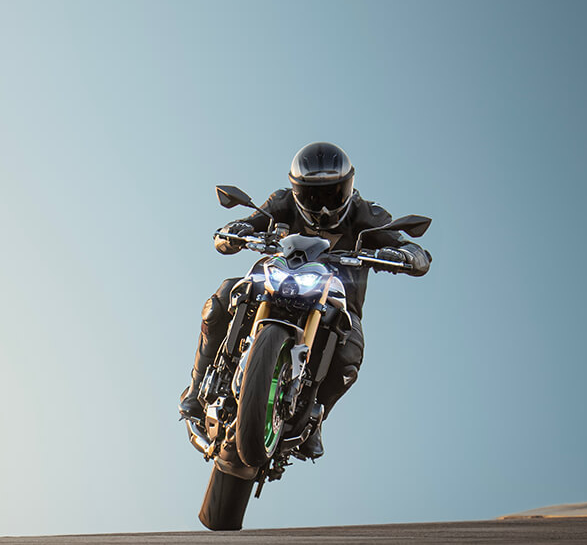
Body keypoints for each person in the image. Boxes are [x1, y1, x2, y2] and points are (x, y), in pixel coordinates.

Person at [178, 142, 431, 459]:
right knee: (222, 300)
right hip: (279, 279)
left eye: (332, 195)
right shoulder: (282, 201)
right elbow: (244, 227)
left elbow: (413, 250)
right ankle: (196, 387)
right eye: (313, 196)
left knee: (351, 350)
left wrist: (406, 255)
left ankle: (316, 414)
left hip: (335, 299)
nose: (323, 207)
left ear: (347, 188)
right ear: (298, 191)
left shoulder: (367, 214)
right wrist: (234, 231)